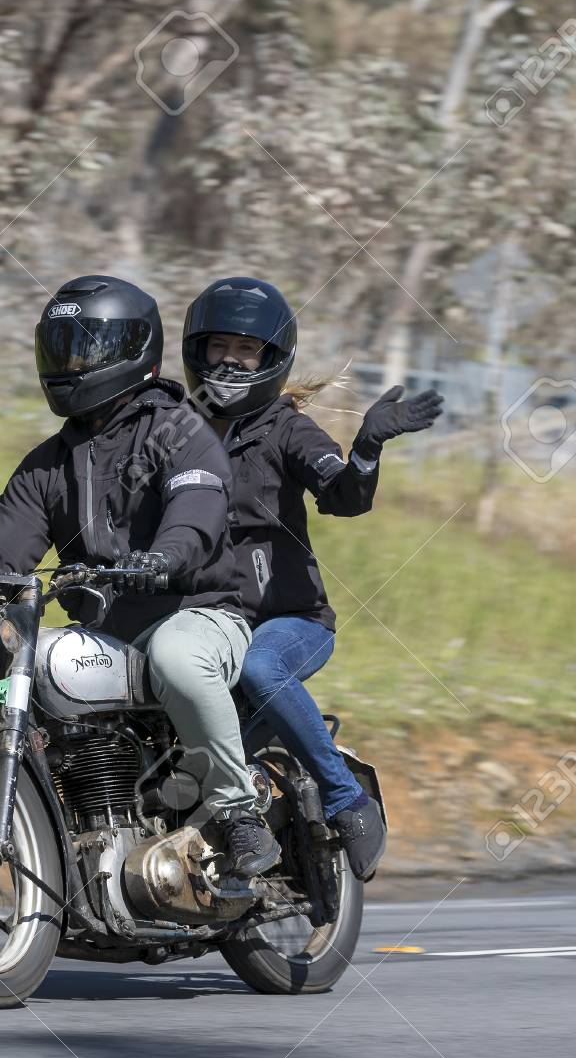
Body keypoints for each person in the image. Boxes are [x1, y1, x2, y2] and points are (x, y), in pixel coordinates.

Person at [0, 274, 277, 877]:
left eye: (88, 348)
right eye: (62, 347)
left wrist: (163, 557)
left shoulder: (179, 428)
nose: (72, 363)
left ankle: (238, 812)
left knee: (178, 658)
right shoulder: (49, 464)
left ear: (134, 350)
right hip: (109, 630)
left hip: (196, 611)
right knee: (31, 667)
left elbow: (197, 507)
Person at [181, 276, 443, 881]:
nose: (230, 361)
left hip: (288, 622)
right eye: (221, 346)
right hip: (205, 620)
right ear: (199, 351)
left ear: (271, 360)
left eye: (247, 351)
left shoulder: (285, 428)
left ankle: (346, 797)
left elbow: (343, 497)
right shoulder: (179, 427)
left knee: (261, 669)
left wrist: (368, 449)